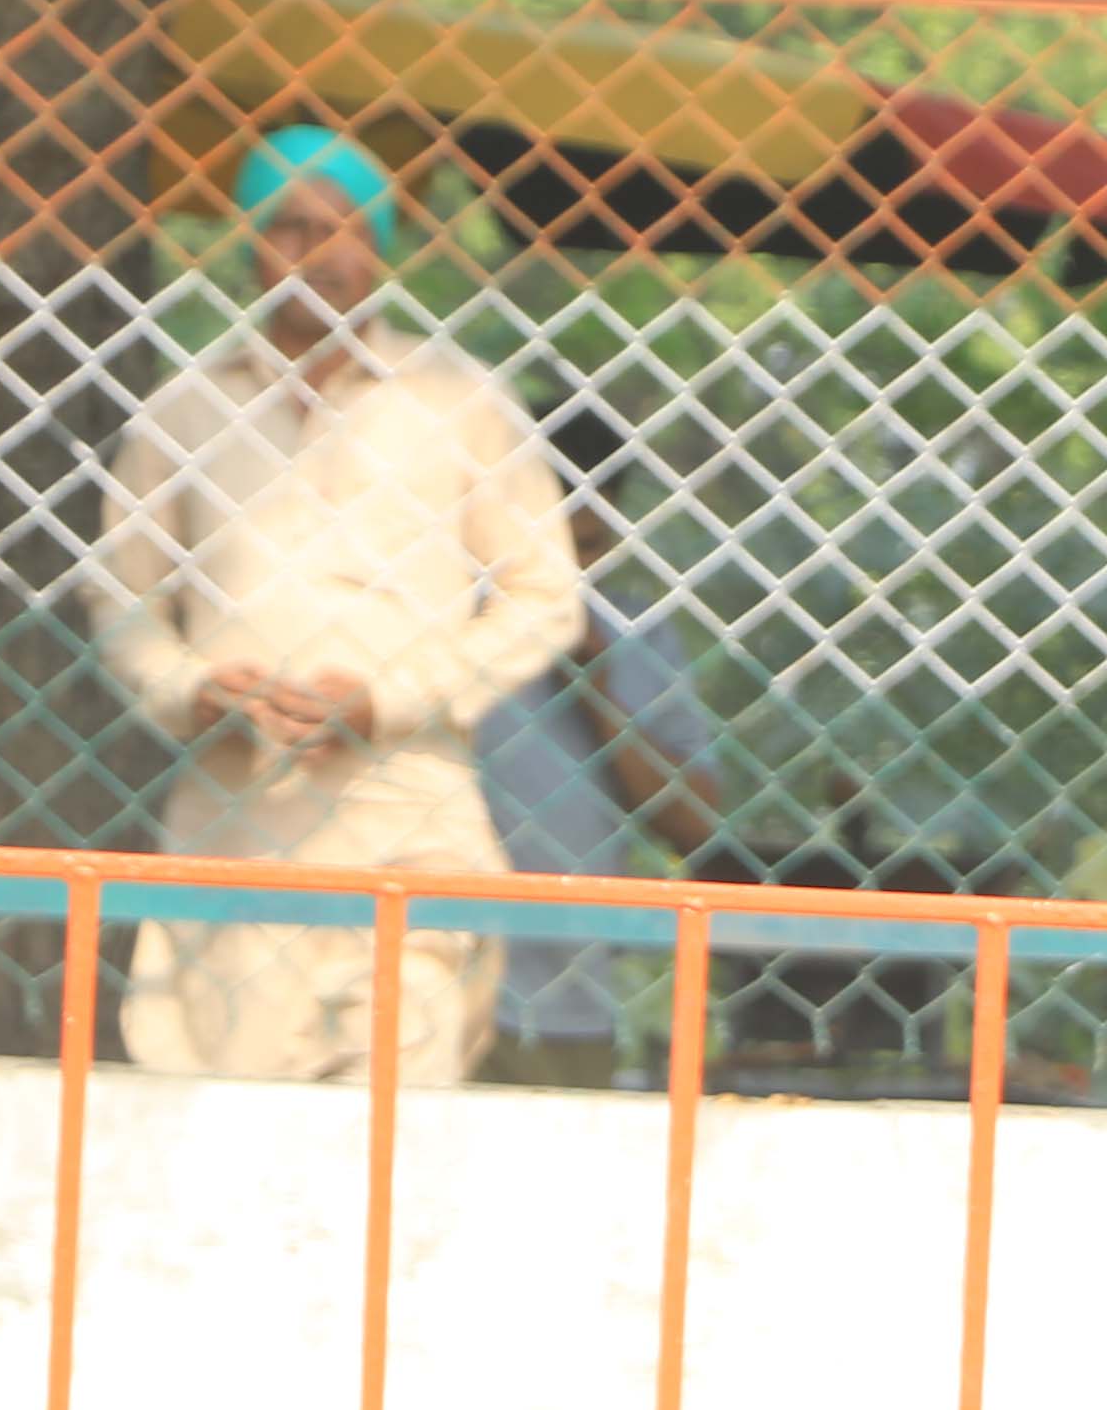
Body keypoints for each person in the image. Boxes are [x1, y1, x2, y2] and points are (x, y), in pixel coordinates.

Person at [97, 124, 576, 1088]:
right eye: (290, 227)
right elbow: (121, 603)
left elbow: (546, 597)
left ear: (381, 249)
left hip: (407, 803)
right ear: (249, 245)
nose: (319, 252)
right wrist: (194, 689)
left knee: (396, 1093)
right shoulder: (182, 409)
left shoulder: (458, 399)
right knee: (235, 1108)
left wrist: (389, 698)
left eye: (346, 228)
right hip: (239, 814)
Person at [471, 398, 719, 1083]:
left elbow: (695, 821)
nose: (563, 572)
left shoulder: (638, 633)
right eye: (544, 545)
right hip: (442, 979)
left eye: (584, 547)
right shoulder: (446, 622)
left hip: (571, 1000)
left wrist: (600, 697)